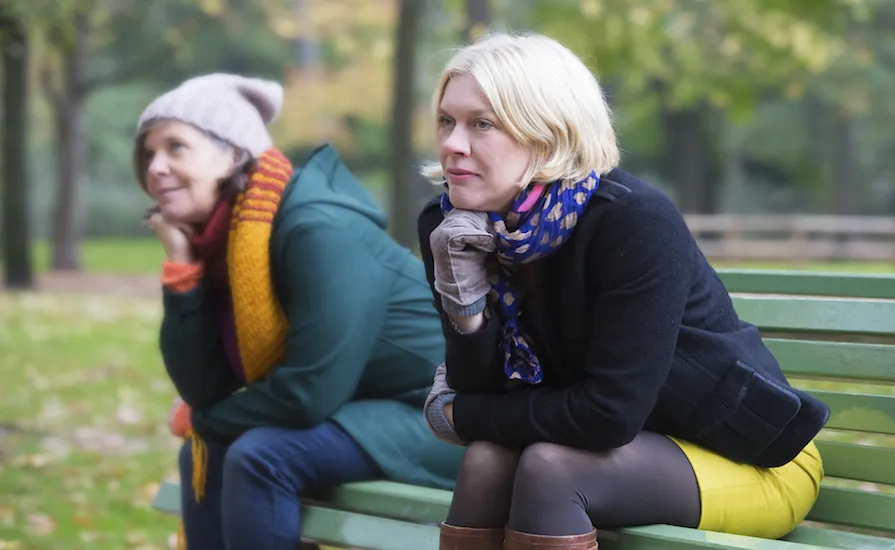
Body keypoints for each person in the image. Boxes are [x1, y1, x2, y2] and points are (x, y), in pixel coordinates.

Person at [417, 33, 830, 550]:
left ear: (548, 132)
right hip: (614, 447)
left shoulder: (631, 221)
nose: (454, 144)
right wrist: (467, 307)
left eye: (483, 124)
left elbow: (607, 415)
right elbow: (482, 389)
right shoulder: (452, 227)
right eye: (447, 121)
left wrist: (457, 415)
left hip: (751, 458)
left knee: (551, 468)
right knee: (486, 459)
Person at [134, 73, 463, 550]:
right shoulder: (224, 247)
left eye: (175, 148)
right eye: (148, 154)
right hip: (366, 410)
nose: (156, 167)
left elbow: (309, 393)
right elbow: (204, 389)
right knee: (207, 454)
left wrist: (204, 420)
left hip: (445, 414)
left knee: (259, 455)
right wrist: (183, 274)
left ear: (233, 153)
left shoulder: (318, 228)